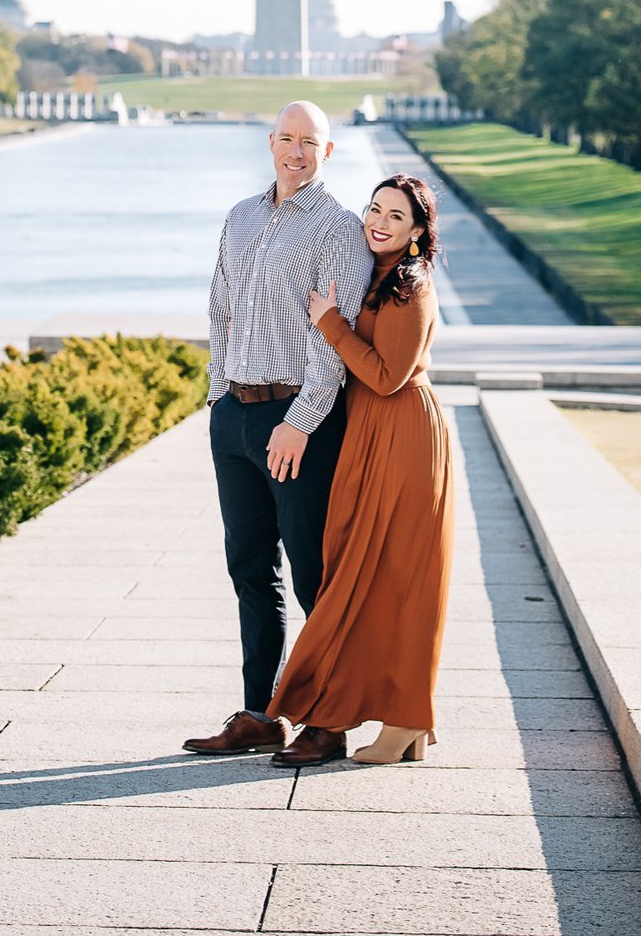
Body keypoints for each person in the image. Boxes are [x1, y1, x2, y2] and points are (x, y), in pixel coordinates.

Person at [180, 101, 374, 758]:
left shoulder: (339, 228)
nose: (296, 150)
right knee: (248, 569)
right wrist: (218, 398)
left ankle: (331, 720)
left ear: (328, 150)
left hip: (297, 422)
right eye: (287, 138)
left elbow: (335, 339)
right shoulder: (241, 215)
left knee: (313, 574)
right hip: (234, 415)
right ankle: (260, 714)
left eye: (309, 141)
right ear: (270, 143)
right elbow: (219, 308)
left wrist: (298, 421)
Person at [266, 175, 456, 767]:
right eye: (374, 209)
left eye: (396, 217)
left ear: (419, 232)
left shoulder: (410, 283)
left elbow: (385, 375)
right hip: (370, 434)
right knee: (378, 578)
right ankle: (405, 723)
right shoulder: (379, 274)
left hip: (402, 436)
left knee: (399, 580)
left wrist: (330, 323)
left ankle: (405, 720)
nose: (378, 222)